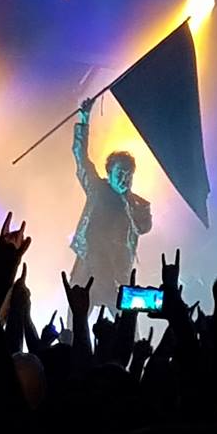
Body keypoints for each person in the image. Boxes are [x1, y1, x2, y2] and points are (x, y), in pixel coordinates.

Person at [69, 98, 152, 316]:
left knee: (126, 324)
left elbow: (144, 227)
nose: (125, 179)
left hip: (116, 273)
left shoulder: (138, 204)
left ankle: (134, 350)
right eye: (120, 174)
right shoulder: (97, 189)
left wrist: (129, 205)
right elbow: (81, 158)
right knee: (76, 319)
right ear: (110, 173)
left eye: (128, 175)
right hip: (88, 266)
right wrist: (84, 121)